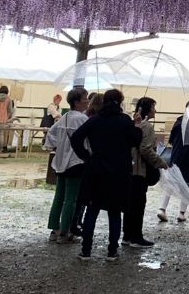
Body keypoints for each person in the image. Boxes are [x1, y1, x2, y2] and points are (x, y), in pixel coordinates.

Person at [70, 89, 143, 261]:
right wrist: (137, 125)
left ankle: (86, 250)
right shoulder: (125, 121)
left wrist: (86, 156)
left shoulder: (95, 120)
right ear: (120, 102)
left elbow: (76, 138)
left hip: (96, 169)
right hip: (119, 171)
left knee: (92, 210)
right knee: (115, 212)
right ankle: (112, 251)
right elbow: (135, 141)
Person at [45, 87, 89, 244]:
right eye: (85, 99)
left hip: (60, 161)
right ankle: (65, 232)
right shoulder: (82, 119)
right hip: (76, 161)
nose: (87, 101)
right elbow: (89, 141)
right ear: (77, 102)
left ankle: (54, 229)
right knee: (71, 198)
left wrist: (58, 146)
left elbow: (51, 134)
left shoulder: (64, 117)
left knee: (59, 196)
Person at [123, 97, 168, 248]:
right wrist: (160, 162)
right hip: (140, 170)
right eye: (154, 107)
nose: (155, 110)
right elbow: (145, 149)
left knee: (129, 203)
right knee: (138, 203)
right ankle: (136, 237)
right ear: (148, 109)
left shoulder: (132, 123)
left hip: (129, 168)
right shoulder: (146, 127)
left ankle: (127, 235)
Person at [159, 101, 189, 222]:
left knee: (171, 182)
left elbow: (171, 140)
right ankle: (181, 213)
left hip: (177, 156)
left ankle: (162, 209)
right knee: (188, 184)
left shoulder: (180, 121)